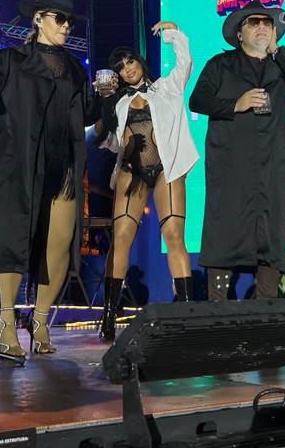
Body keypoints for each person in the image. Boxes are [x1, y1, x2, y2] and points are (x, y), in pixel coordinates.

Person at [0, 0, 99, 359]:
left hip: (62, 163)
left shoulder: (75, 68)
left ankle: (39, 319)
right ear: (38, 19)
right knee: (13, 238)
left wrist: (105, 94)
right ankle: (6, 320)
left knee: (60, 242)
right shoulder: (11, 59)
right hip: (16, 162)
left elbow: (88, 114)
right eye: (60, 18)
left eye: (70, 21)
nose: (67, 25)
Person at [188, 0, 285, 300]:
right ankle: (218, 305)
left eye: (267, 22)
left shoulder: (279, 65)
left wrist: (277, 50)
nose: (261, 26)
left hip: (271, 160)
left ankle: (266, 304)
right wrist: (236, 104)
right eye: (253, 22)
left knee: (271, 227)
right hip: (231, 160)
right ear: (239, 34)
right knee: (225, 226)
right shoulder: (220, 64)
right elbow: (197, 100)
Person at [95, 21, 199, 340]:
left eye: (130, 61)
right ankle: (109, 317)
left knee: (174, 235)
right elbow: (108, 141)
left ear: (140, 61)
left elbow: (186, 62)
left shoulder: (167, 88)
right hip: (131, 172)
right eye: (121, 67)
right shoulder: (117, 103)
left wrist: (173, 32)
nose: (127, 69)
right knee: (121, 238)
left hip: (167, 168)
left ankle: (186, 314)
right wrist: (103, 103)